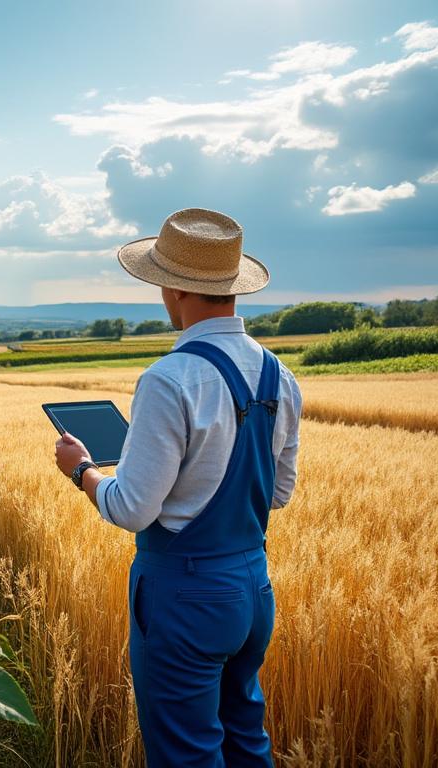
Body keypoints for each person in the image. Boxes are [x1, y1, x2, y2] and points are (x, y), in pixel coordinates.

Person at [54, 208, 302, 767]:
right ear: (233, 288)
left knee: (186, 755)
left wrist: (82, 470)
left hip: (184, 596)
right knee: (246, 739)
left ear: (171, 286)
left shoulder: (169, 378)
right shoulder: (279, 375)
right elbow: (279, 494)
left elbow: (133, 509)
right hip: (252, 589)